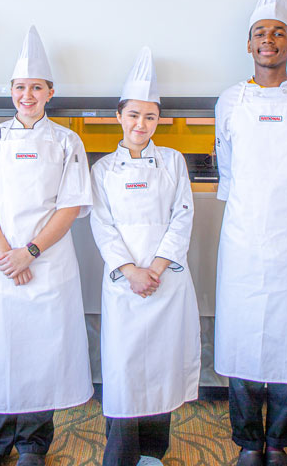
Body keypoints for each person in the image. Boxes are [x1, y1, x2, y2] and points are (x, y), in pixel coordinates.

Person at [0, 26, 93, 466]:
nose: (27, 95)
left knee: (42, 350)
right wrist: (7, 256)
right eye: (20, 87)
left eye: (36, 87)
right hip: (0, 264)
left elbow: (69, 207)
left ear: (50, 92)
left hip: (47, 264)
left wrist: (29, 252)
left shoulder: (67, 141)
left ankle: (34, 443)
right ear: (11, 92)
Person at [213, 0, 287, 466]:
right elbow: (227, 169)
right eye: (260, 32)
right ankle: (247, 442)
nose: (268, 40)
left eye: (278, 33)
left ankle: (278, 442)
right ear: (249, 43)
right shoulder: (229, 102)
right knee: (240, 339)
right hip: (241, 235)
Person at [90, 48, 201, 466]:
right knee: (125, 369)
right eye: (134, 115)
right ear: (119, 116)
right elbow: (102, 225)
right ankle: (119, 455)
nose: (141, 124)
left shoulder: (173, 162)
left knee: (161, 366)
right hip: (124, 283)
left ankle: (154, 452)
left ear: (159, 121)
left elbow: (182, 216)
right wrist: (130, 270)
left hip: (166, 279)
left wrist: (155, 267)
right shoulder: (102, 170)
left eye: (150, 117)